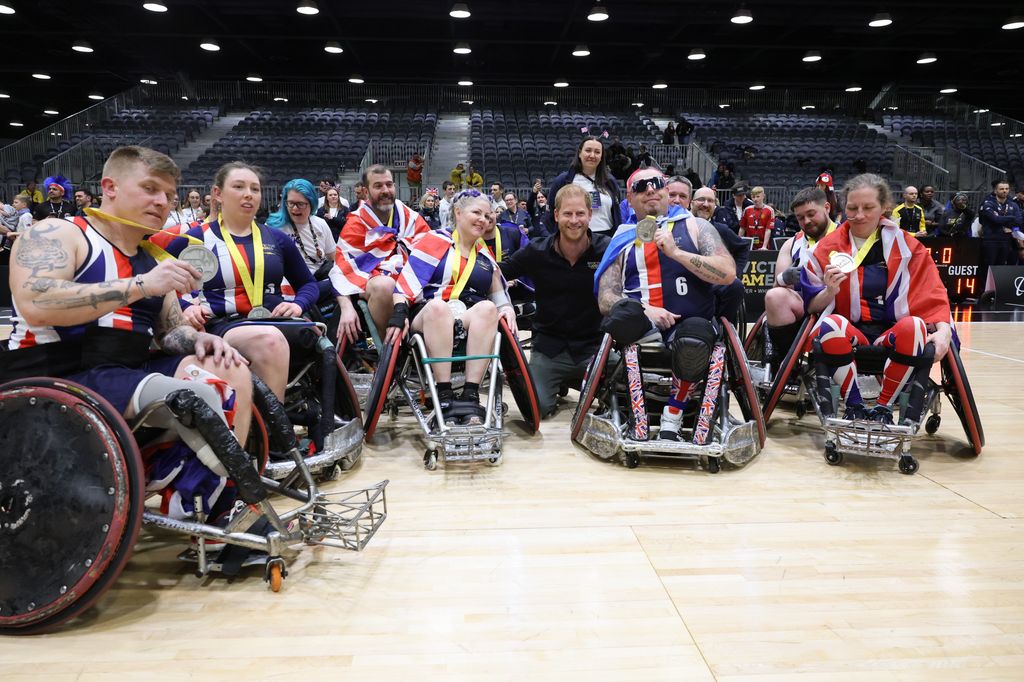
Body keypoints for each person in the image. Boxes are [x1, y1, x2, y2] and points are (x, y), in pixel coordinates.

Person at [5, 145, 252, 521]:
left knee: (229, 368)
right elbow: (34, 301)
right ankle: (203, 509)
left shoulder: (152, 256)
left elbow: (171, 333)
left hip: (122, 370)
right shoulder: (58, 232)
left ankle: (208, 492)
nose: (162, 202)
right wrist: (139, 285)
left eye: (169, 195)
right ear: (110, 187)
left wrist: (199, 339)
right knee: (200, 395)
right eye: (151, 189)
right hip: (56, 370)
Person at [155, 162, 319, 401]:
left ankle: (325, 415)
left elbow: (309, 284)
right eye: (239, 187)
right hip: (223, 325)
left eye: (255, 189)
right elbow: (161, 284)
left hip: (277, 320)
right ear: (217, 194)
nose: (248, 194)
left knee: (320, 342)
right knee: (269, 341)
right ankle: (275, 431)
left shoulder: (277, 238)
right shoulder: (194, 238)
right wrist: (187, 307)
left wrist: (298, 304)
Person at [595, 168, 737, 440]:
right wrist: (646, 309)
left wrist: (677, 253)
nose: (649, 190)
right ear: (629, 197)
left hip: (690, 323)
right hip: (641, 321)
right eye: (640, 186)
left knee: (694, 337)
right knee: (620, 316)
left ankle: (673, 415)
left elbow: (727, 272)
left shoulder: (695, 225)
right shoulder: (623, 235)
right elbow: (606, 297)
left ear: (665, 191)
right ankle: (635, 415)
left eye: (656, 184)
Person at [803, 174, 952, 425]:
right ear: (843, 207)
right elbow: (810, 306)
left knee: (915, 326)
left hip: (892, 331)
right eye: (852, 208)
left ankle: (883, 406)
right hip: (850, 331)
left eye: (868, 207)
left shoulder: (909, 247)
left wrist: (944, 331)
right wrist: (829, 291)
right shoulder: (826, 248)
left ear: (884, 207)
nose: (859, 214)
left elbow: (933, 295)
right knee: (829, 325)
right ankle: (854, 405)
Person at [389, 189, 516, 424]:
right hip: (428, 314)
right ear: (458, 212)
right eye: (476, 212)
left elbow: (499, 297)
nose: (483, 220)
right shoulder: (434, 240)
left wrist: (506, 308)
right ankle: (443, 392)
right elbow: (405, 286)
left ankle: (470, 394)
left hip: (465, 317)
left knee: (488, 308)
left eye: (488, 216)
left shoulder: (485, 257)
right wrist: (398, 314)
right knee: (439, 308)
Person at [499, 184, 610, 417]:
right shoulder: (537, 250)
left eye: (580, 213)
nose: (574, 220)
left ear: (590, 215)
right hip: (550, 348)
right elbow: (500, 272)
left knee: (626, 399)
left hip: (595, 348)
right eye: (567, 213)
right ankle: (557, 380)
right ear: (556, 215)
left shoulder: (607, 249)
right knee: (535, 410)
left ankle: (572, 381)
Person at [334, 164, 431, 336]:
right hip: (373, 282)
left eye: (389, 184)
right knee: (385, 285)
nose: (386, 190)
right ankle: (390, 352)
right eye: (378, 186)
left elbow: (429, 252)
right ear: (365, 191)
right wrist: (346, 306)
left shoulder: (409, 216)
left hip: (409, 282)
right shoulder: (356, 223)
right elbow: (342, 270)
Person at [265, 178, 360, 345]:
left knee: (349, 288)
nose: (295, 208)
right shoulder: (273, 227)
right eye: (291, 203)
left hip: (314, 282)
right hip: (285, 287)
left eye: (301, 204)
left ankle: (337, 348)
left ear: (311, 203)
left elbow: (335, 258)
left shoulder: (320, 225)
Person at [762, 187, 836, 363]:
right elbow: (776, 287)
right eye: (800, 217)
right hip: (805, 306)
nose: (807, 221)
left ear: (826, 207)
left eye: (811, 214)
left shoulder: (848, 237)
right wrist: (784, 278)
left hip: (838, 304)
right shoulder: (792, 243)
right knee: (774, 296)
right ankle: (789, 363)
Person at [685, 184, 750, 324]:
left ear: (715, 206)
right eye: (701, 199)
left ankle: (721, 329)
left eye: (710, 201)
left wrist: (735, 273)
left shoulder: (721, 229)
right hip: (683, 280)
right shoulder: (679, 226)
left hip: (711, 281)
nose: (706, 204)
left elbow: (742, 248)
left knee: (735, 285)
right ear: (692, 203)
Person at [545, 136, 622, 235]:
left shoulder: (610, 182)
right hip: (573, 238)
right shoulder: (563, 180)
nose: (592, 155)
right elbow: (550, 214)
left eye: (597, 152)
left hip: (605, 240)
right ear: (580, 153)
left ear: (602, 156)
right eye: (588, 150)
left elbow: (616, 213)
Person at [978, 179, 1021, 268]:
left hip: (1006, 240)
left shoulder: (1013, 205)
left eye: (1007, 188)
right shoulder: (988, 204)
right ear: (995, 191)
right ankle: (984, 282)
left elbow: (1018, 221)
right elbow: (995, 219)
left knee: (1000, 267)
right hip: (991, 240)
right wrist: (1011, 218)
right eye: (1001, 189)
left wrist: (1002, 218)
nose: (1005, 191)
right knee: (987, 266)